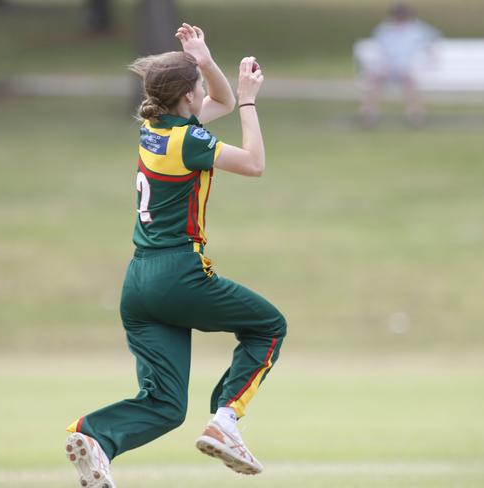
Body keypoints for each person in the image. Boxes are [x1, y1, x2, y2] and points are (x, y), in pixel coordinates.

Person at [63, 23, 287, 488]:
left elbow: (214, 102)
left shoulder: (154, 129)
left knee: (166, 404)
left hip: (138, 284)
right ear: (187, 99)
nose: (206, 91)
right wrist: (249, 99)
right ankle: (226, 419)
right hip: (179, 274)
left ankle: (96, 436)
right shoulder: (190, 141)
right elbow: (254, 162)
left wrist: (204, 60)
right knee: (268, 327)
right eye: (199, 86)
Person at [359, 3, 441, 126]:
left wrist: (430, 56)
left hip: (405, 67)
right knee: (375, 80)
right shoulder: (385, 29)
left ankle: (415, 114)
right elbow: (377, 50)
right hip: (386, 67)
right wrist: (380, 65)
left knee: (409, 81)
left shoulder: (417, 29)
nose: (400, 18)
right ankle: (369, 114)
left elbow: (433, 38)